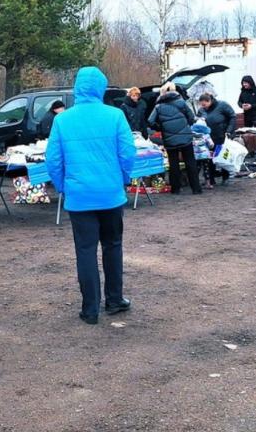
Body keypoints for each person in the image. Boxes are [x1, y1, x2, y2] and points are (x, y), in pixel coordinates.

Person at [46, 67, 136, 326]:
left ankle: (90, 309)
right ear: (101, 88)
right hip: (110, 194)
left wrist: (64, 186)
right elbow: (128, 154)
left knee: (85, 251)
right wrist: (122, 179)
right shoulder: (116, 115)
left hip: (79, 196)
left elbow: (53, 160)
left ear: (77, 88)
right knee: (113, 246)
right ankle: (115, 299)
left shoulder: (63, 120)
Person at [148, 82, 202, 195]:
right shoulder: (182, 102)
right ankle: (196, 188)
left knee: (173, 164)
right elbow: (192, 118)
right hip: (186, 137)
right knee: (190, 162)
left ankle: (175, 189)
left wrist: (161, 128)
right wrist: (185, 125)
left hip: (169, 139)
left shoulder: (158, 107)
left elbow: (150, 121)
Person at [198, 93, 237, 185]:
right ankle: (211, 179)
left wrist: (229, 130)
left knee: (224, 156)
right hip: (208, 137)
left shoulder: (222, 105)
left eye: (204, 104)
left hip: (222, 135)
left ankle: (225, 177)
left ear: (209, 101)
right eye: (201, 105)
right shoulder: (201, 110)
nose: (203, 107)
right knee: (210, 158)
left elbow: (232, 116)